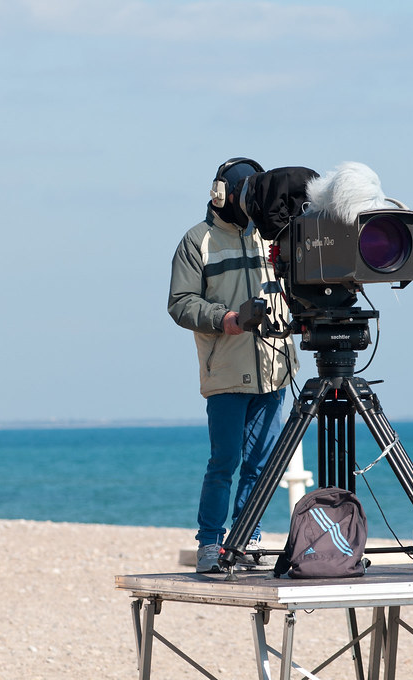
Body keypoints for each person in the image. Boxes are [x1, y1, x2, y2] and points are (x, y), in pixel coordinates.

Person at [168, 157, 298, 573]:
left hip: (274, 367)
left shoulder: (272, 236)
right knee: (224, 462)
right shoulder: (197, 241)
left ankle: (246, 538)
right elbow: (181, 303)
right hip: (225, 369)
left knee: (262, 462)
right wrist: (227, 320)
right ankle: (210, 544)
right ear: (219, 193)